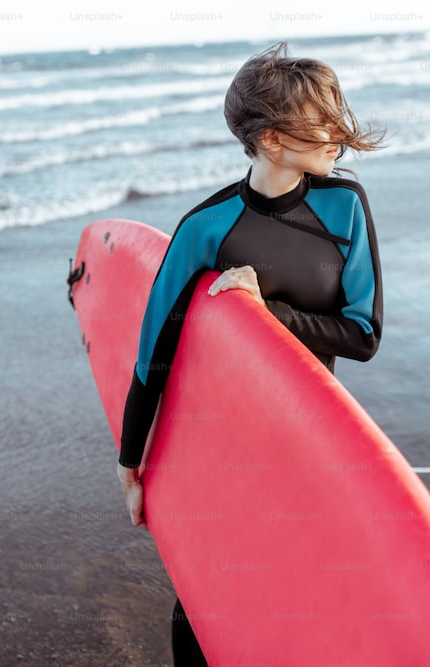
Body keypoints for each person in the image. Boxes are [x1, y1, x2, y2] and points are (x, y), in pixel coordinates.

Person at [115, 42, 385, 665]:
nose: (338, 135)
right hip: (226, 441)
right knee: (208, 592)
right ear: (270, 138)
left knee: (303, 580)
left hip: (311, 435)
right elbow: (151, 352)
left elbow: (363, 334)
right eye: (323, 121)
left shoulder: (345, 205)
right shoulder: (205, 228)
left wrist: (271, 315)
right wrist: (132, 464)